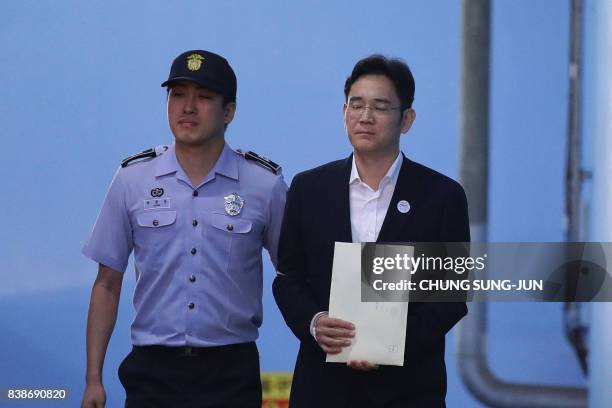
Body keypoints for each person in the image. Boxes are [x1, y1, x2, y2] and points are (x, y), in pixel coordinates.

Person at [81, 49, 286, 408]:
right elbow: (107, 284)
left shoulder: (264, 184)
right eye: (177, 95)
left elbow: (294, 270)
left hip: (231, 372)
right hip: (152, 371)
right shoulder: (133, 178)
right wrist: (93, 379)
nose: (187, 107)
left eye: (203, 97)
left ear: (229, 111)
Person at [272, 54, 470, 408]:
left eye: (380, 107)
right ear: (343, 111)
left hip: (409, 389)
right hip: (323, 387)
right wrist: (315, 323)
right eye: (356, 104)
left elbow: (452, 296)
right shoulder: (309, 188)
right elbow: (288, 278)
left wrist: (390, 344)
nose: (365, 117)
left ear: (406, 119)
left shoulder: (442, 196)